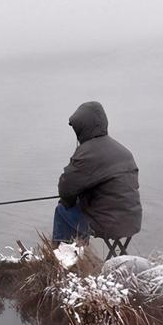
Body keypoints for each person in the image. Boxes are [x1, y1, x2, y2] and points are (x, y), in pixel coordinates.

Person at [53, 101, 142, 246]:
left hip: (108, 224)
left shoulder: (87, 153)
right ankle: (80, 256)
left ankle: (64, 259)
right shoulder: (123, 151)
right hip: (132, 221)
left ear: (82, 127)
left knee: (63, 210)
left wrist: (68, 201)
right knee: (78, 206)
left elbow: (66, 188)